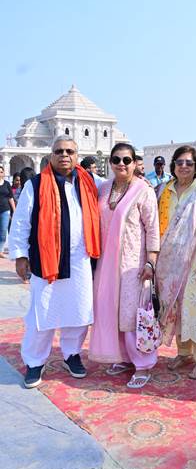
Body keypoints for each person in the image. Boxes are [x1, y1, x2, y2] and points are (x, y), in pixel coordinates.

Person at [8, 136, 100, 388]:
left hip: (81, 260)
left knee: (79, 312)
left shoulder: (90, 182)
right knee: (42, 313)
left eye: (69, 151)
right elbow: (22, 221)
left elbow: (119, 187)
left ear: (77, 155)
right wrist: (20, 255)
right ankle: (35, 361)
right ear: (50, 156)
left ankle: (72, 354)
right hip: (46, 260)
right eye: (59, 151)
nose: (64, 155)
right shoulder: (37, 184)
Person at [89, 143, 160, 389]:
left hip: (134, 262)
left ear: (134, 163)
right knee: (111, 309)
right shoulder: (104, 188)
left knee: (132, 313)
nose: (121, 164)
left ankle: (143, 363)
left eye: (127, 160)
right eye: (117, 159)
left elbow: (152, 229)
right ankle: (124, 357)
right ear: (110, 162)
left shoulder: (143, 191)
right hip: (106, 262)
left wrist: (151, 261)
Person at [156, 146, 196, 379]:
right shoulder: (163, 191)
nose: (184, 166)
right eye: (180, 162)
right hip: (168, 264)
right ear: (173, 165)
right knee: (176, 309)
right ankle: (184, 353)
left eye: (189, 163)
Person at [0, 165, 16, 258]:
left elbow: (11, 198)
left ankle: (0, 251)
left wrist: (14, 211)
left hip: (5, 210)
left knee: (3, 231)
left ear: (3, 173)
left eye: (1, 172)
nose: (0, 173)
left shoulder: (6, 184)